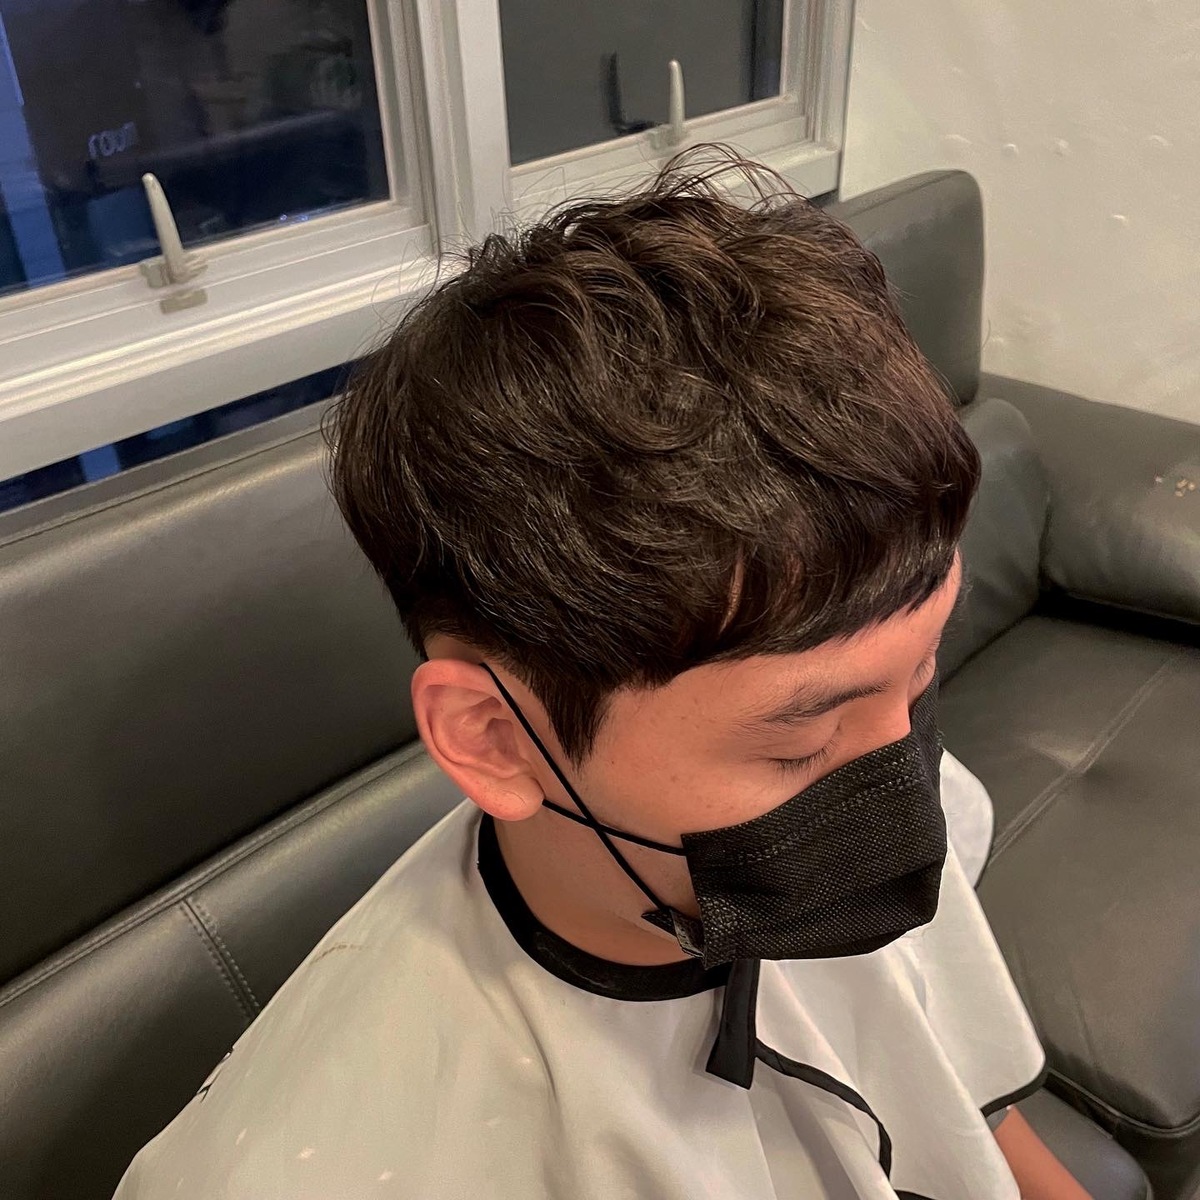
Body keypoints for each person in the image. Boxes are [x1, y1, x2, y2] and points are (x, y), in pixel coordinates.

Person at [114, 148, 1092, 1199]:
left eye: (921, 670)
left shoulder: (863, 793)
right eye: (800, 743)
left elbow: (964, 1108)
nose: (901, 779)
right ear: (493, 738)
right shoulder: (310, 1167)